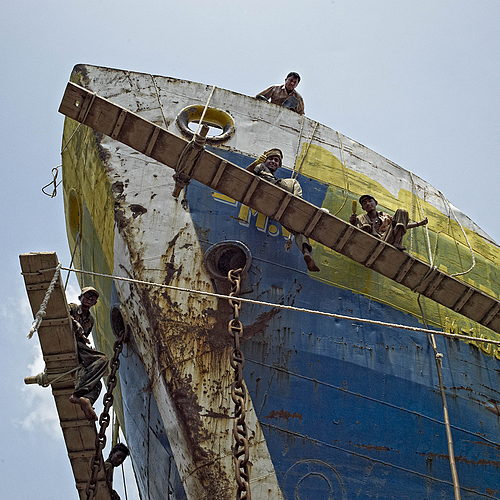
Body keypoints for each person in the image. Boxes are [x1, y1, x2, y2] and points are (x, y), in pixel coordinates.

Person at [246, 148, 320, 272]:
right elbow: (245, 174)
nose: (273, 162)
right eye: (270, 159)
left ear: (279, 165)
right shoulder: (260, 167)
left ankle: (306, 252)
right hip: (273, 188)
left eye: (276, 160)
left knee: (298, 230)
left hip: (273, 207)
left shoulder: (265, 170)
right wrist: (256, 163)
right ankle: (298, 202)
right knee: (294, 182)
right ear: (265, 161)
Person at [68, 286, 109, 421]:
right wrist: (74, 322)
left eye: (93, 297)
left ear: (95, 303)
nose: (90, 298)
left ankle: (86, 400)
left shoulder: (90, 320)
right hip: (71, 342)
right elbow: (61, 314)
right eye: (87, 296)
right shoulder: (73, 308)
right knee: (103, 359)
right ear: (80, 298)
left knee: (98, 384)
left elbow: (84, 337)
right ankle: (77, 395)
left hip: (80, 347)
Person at [349, 194, 428, 251]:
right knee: (360, 217)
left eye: (370, 201)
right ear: (363, 208)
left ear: (375, 203)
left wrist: (419, 224)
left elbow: (400, 224)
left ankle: (396, 243)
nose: (368, 204)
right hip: (371, 241)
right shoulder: (362, 218)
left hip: (387, 239)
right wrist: (353, 223)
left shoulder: (385, 216)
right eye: (364, 203)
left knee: (402, 211)